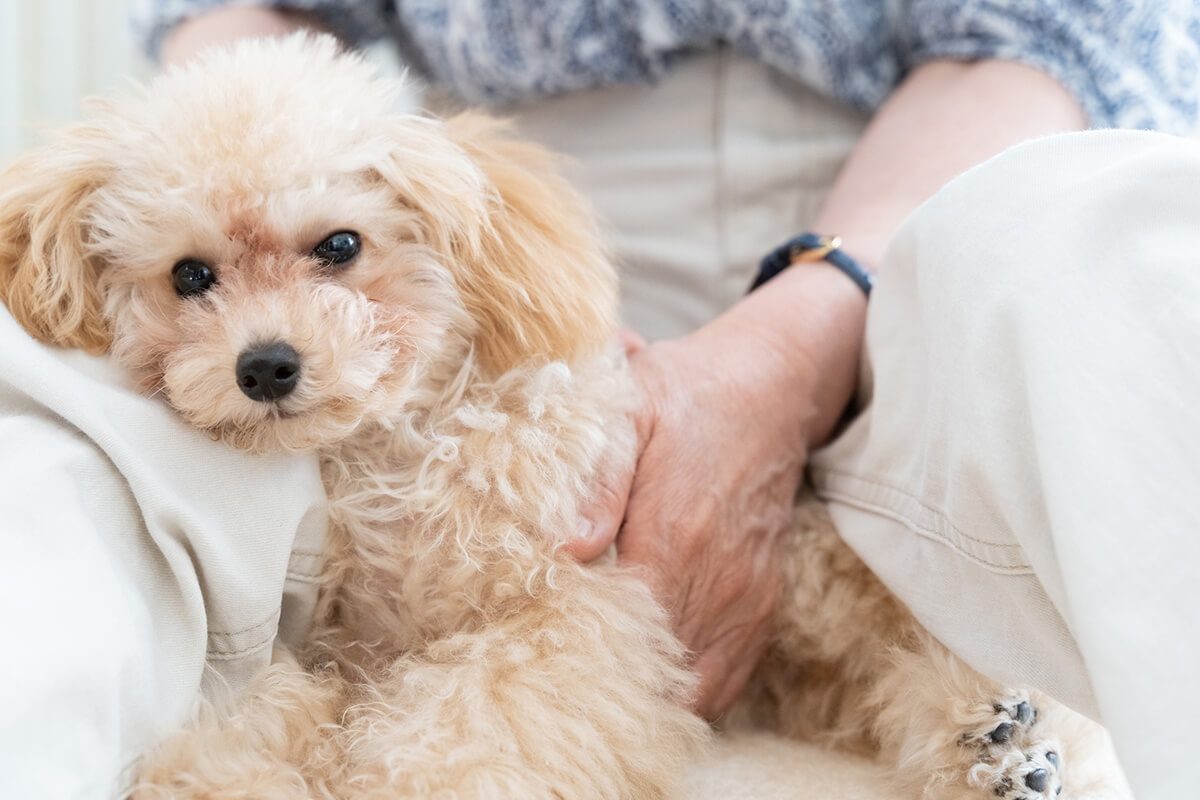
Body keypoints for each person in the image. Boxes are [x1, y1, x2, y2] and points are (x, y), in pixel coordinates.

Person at [0, 2, 1195, 797]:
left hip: (896, 222)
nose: (254, 318)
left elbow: (1049, 37)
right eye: (200, 279)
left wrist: (785, 352)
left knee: (1116, 231)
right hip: (427, 230)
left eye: (319, 251)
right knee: (44, 416)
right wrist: (236, 166)